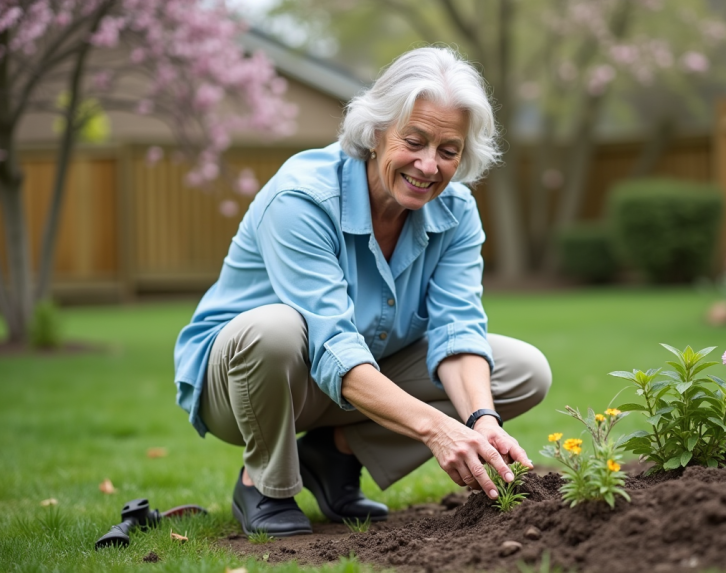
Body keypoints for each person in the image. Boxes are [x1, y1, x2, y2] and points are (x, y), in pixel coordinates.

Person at [173, 46, 552, 537]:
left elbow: (458, 327)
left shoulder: (456, 211)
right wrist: (437, 429)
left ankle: (333, 455)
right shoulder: (303, 199)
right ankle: (263, 484)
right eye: (413, 141)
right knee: (276, 328)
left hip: (358, 375)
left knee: (522, 372)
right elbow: (331, 343)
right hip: (250, 384)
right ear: (376, 133)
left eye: (448, 150)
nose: (429, 165)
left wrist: (481, 420)